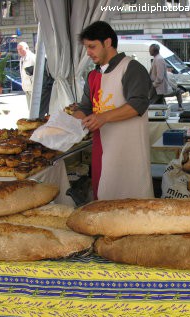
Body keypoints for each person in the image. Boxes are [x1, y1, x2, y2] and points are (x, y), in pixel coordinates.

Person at [74, 20, 153, 200]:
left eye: (92, 46)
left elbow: (138, 103)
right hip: (102, 145)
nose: (88, 53)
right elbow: (85, 107)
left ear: (108, 43)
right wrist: (70, 122)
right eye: (87, 47)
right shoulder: (93, 75)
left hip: (128, 148)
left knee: (133, 198)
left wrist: (103, 117)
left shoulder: (131, 68)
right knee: (104, 194)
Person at [17, 41, 36, 109]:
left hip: (33, 89)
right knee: (30, 109)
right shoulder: (21, 59)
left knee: (35, 110)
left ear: (27, 48)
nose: (19, 51)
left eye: (21, 49)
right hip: (26, 88)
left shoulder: (33, 58)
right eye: (18, 49)